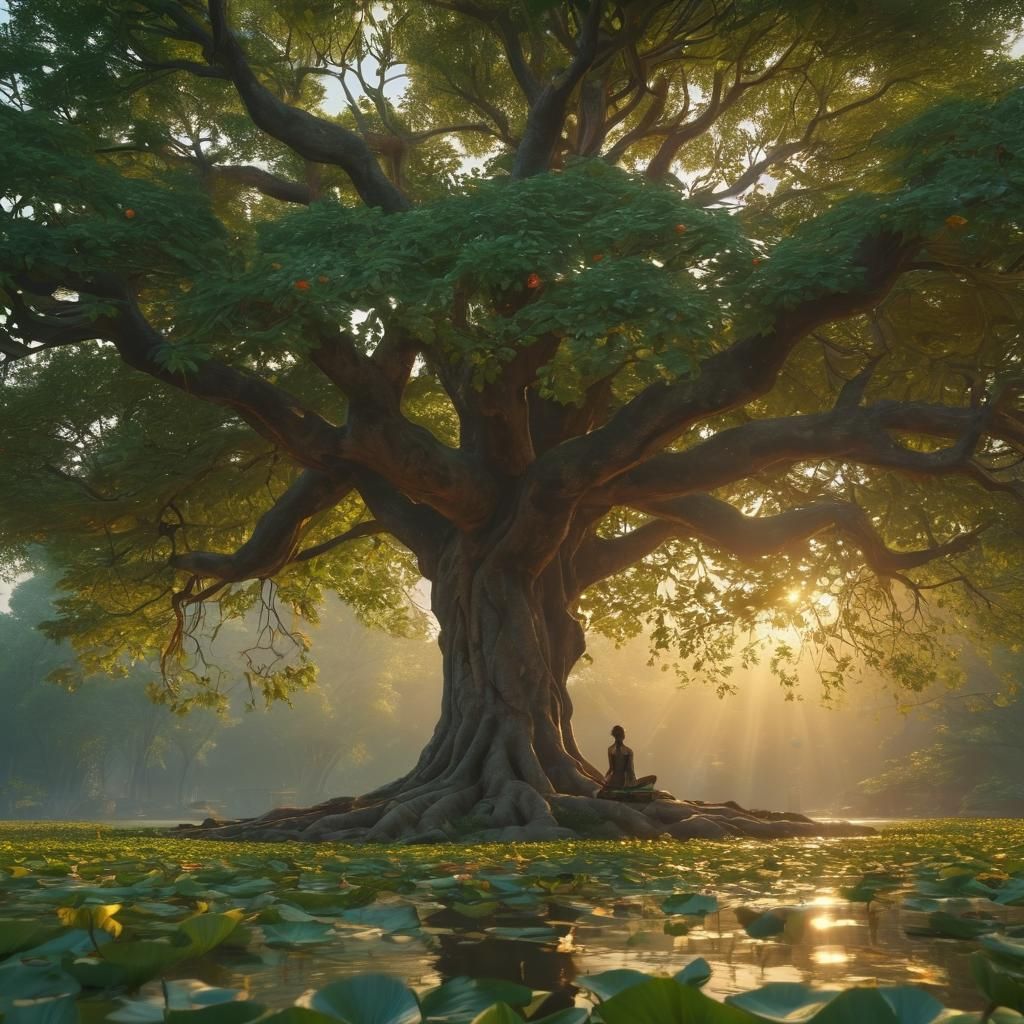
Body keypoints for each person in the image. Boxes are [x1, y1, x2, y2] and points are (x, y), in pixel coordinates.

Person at [604, 725, 657, 790]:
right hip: (626, 784)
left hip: (612, 783)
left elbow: (611, 769)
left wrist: (605, 781)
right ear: (623, 736)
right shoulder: (628, 751)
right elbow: (629, 770)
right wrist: (633, 784)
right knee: (653, 778)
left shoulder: (610, 749)